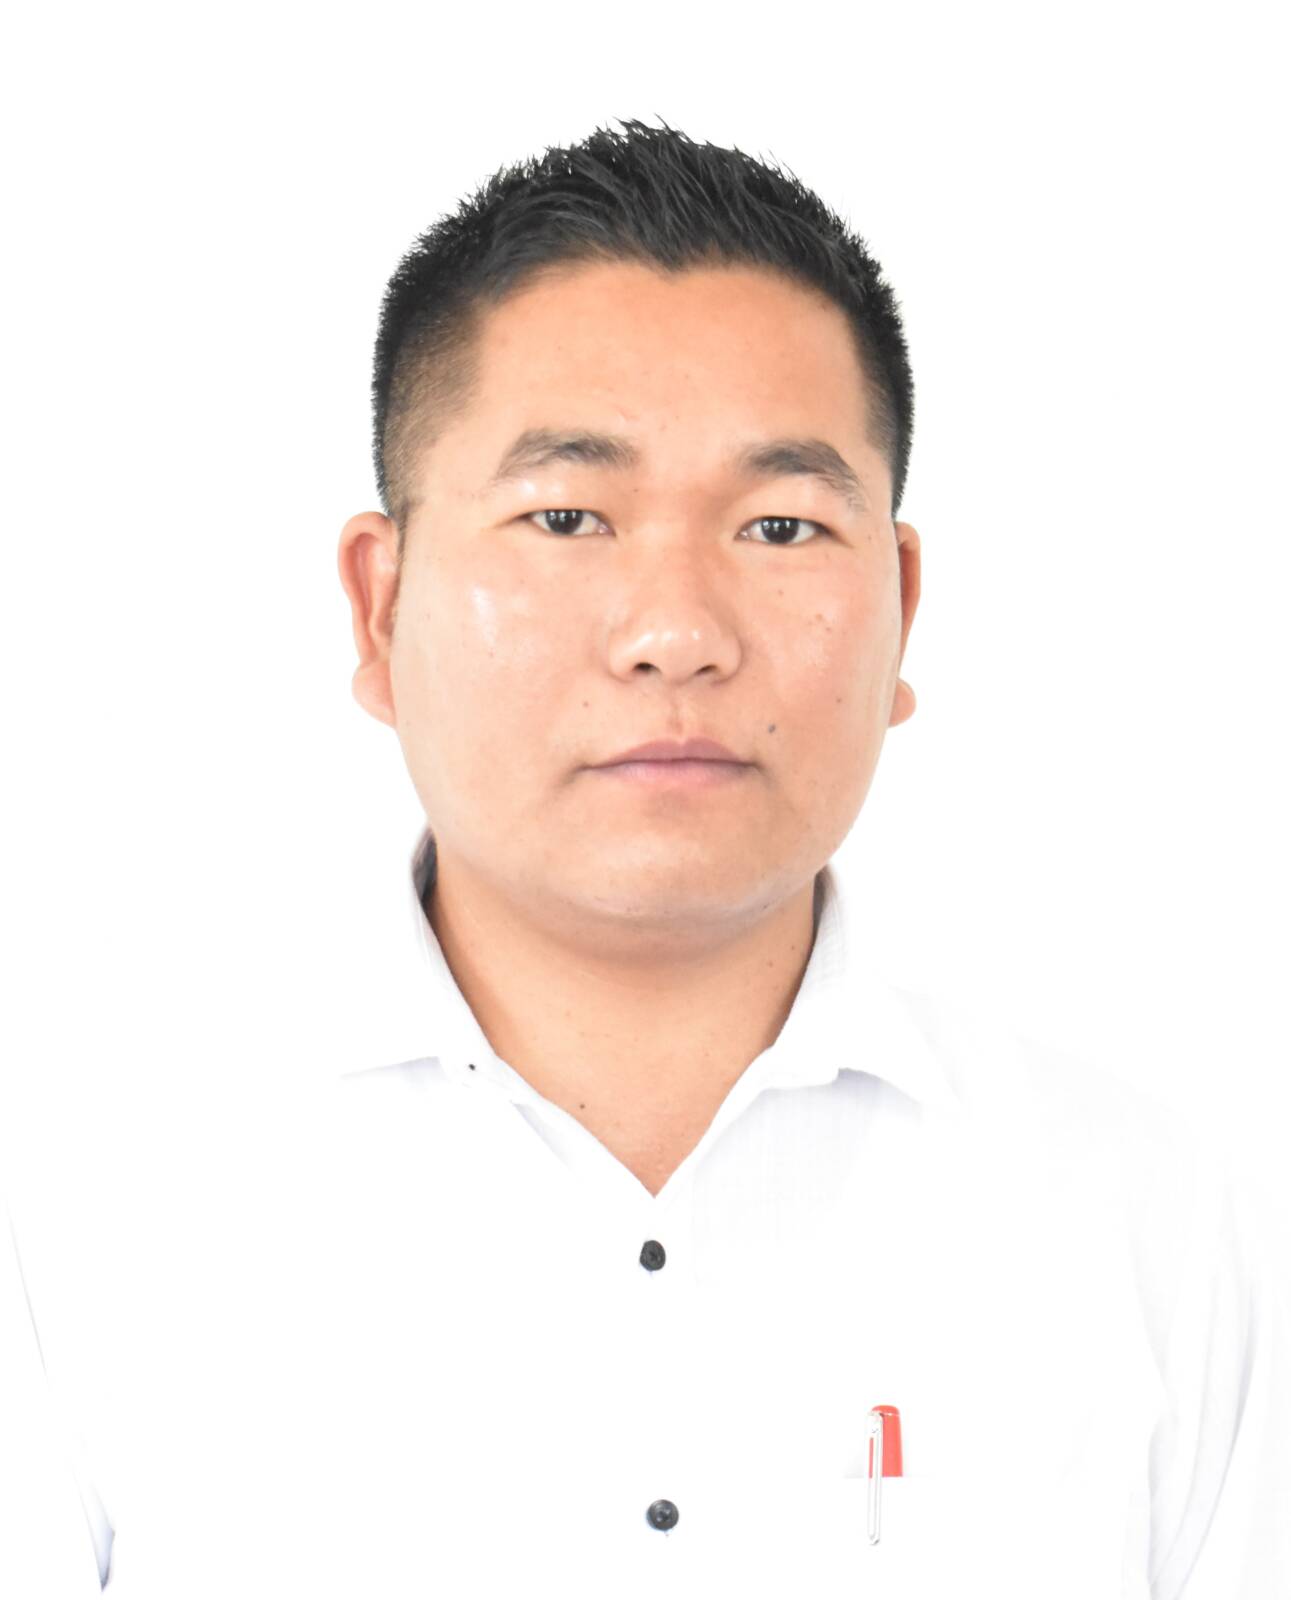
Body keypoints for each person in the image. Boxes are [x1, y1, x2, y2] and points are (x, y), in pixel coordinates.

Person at [4, 115, 1287, 1597]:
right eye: (567, 516)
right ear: (381, 605)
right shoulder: (83, 1211)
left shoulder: (1151, 1219)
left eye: (781, 526)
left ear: (900, 609)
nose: (675, 632)